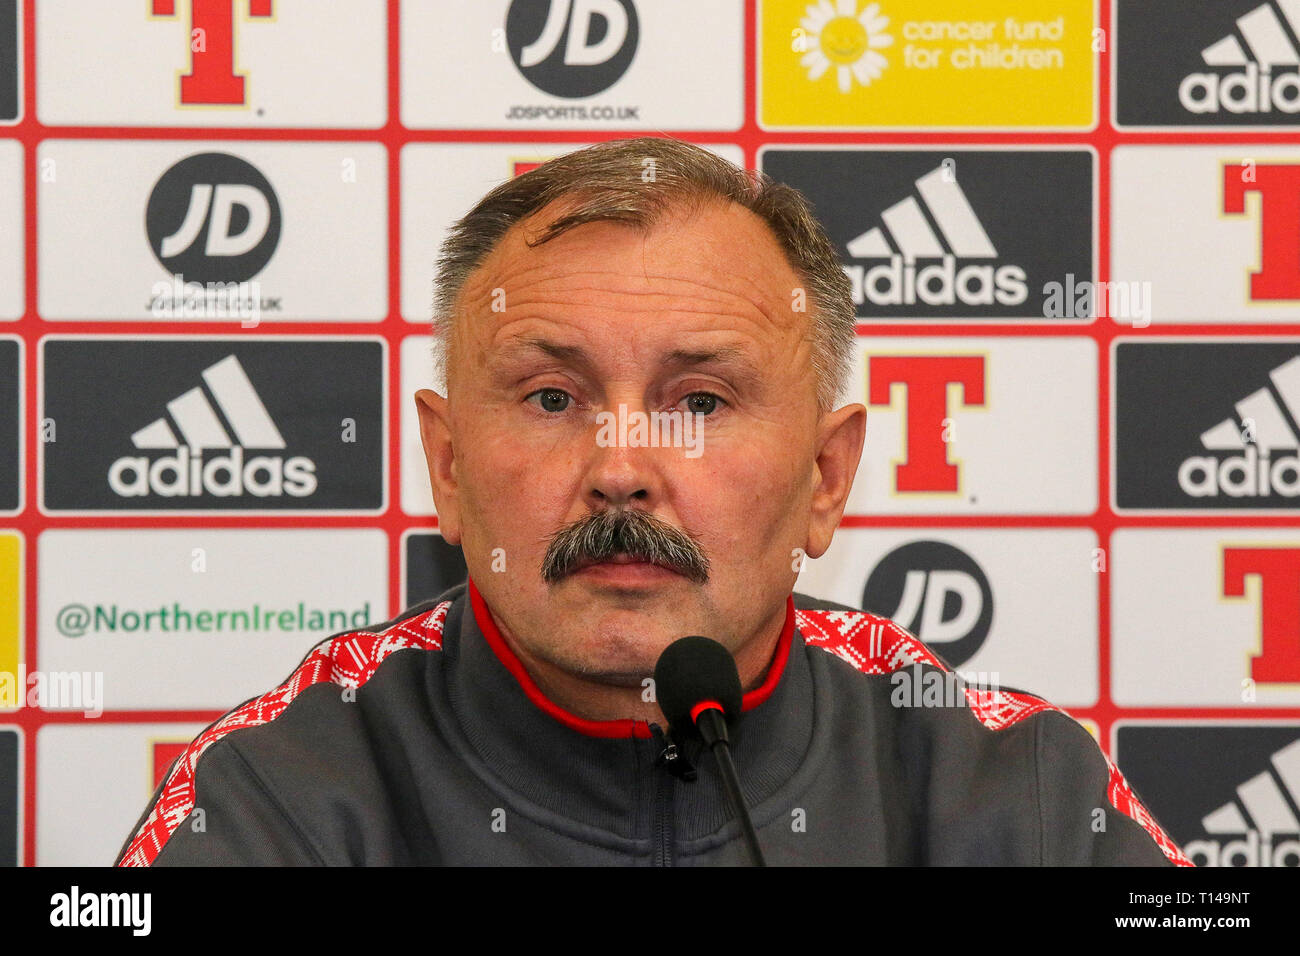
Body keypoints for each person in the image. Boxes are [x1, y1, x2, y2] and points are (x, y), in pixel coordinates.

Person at [116, 137, 1189, 866]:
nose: (621, 463)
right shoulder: (274, 798)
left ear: (825, 479)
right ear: (446, 466)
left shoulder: (1017, 794)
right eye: (550, 395)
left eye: (700, 400)